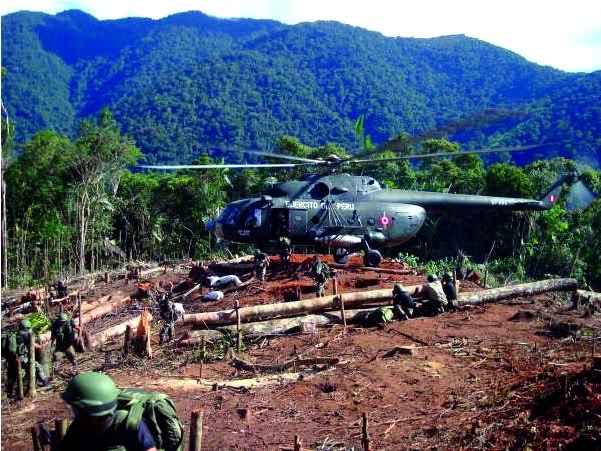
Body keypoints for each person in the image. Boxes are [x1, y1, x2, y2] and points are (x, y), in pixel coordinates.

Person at [60, 372, 157, 451]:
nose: (75, 414)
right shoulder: (80, 426)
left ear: (92, 410)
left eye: (77, 409)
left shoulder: (130, 424)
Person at [3, 319, 51, 397]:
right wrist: (43, 345)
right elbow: (34, 345)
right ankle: (46, 383)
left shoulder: (14, 333)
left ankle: (9, 393)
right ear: (27, 327)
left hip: (11, 359)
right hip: (21, 358)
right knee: (37, 366)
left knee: (11, 376)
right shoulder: (25, 334)